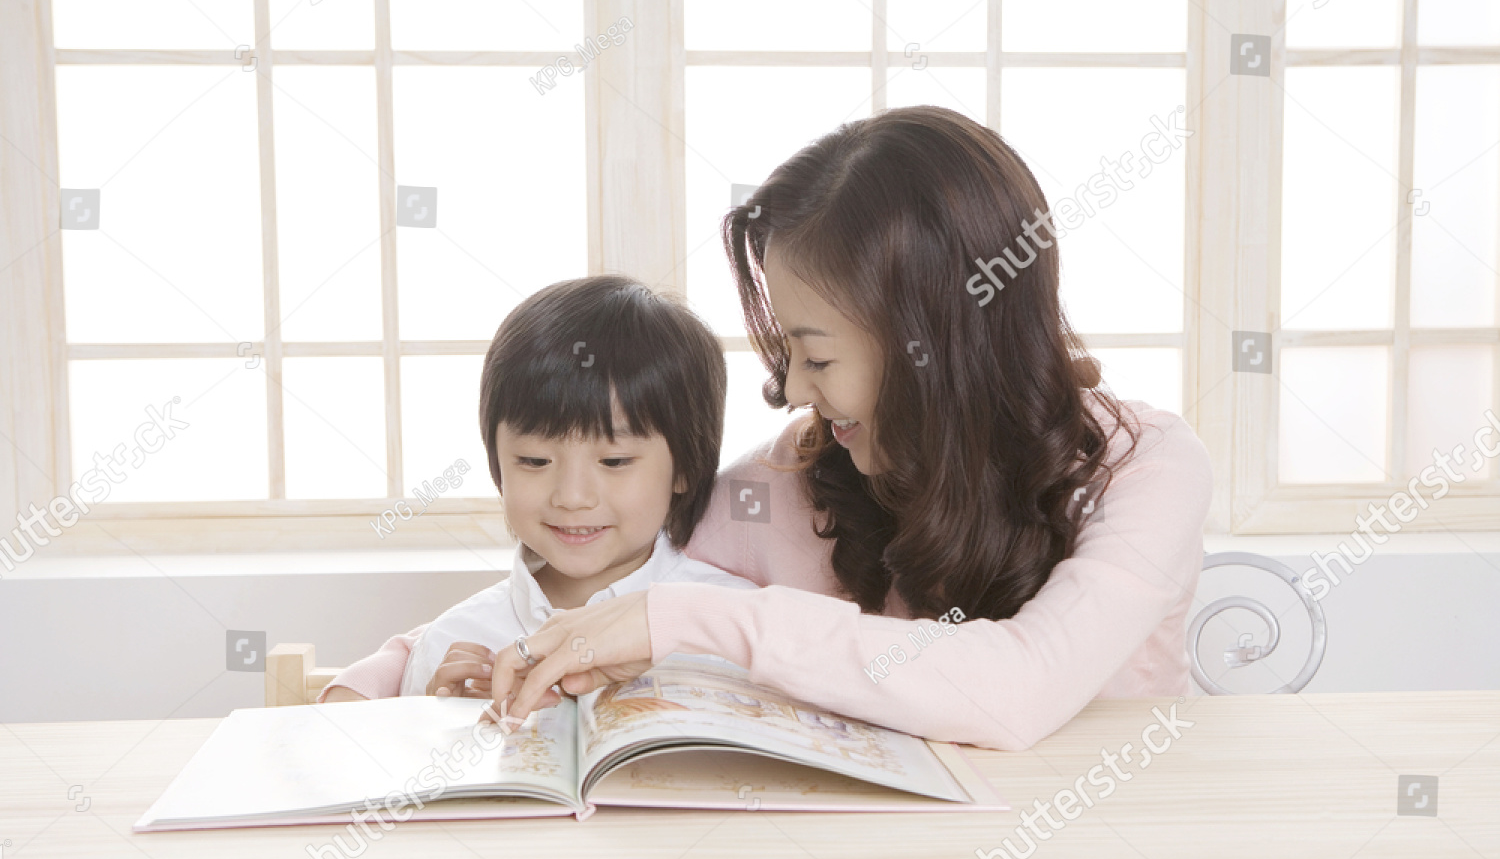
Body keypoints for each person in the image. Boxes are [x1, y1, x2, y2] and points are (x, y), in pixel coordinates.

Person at [341, 106, 1213, 752]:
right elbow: (602, 559)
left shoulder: (1145, 468)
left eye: (818, 356)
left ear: (929, 342)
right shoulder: (796, 477)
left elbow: (1020, 689)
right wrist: (396, 675)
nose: (793, 389)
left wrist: (694, 622)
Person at [318, 275, 755, 708]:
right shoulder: (454, 643)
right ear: (498, 465)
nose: (572, 497)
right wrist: (439, 719)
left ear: (685, 466)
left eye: (614, 462)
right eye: (534, 461)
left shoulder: (739, 625)